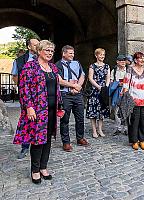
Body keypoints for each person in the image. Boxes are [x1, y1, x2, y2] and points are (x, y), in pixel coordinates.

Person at [13, 40, 60, 184]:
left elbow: (56, 87)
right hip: (38, 110)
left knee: (48, 139)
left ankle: (43, 167)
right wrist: (28, 107)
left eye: (51, 51)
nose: (50, 53)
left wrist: (60, 105)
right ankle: (35, 170)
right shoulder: (30, 66)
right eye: (47, 50)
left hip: (52, 109)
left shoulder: (53, 67)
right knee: (38, 140)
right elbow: (24, 88)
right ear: (39, 51)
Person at [11, 38, 39, 159]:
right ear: (29, 47)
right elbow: (15, 76)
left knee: (40, 119)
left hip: (40, 95)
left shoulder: (42, 59)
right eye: (35, 44)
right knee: (27, 120)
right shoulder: (19, 61)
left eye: (39, 44)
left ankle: (38, 143)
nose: (38, 46)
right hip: (26, 95)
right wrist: (22, 90)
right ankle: (25, 146)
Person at [56, 45, 89, 152]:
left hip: (77, 95)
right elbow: (59, 80)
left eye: (73, 53)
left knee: (80, 118)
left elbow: (82, 76)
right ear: (64, 53)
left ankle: (80, 138)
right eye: (70, 53)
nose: (72, 55)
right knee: (64, 119)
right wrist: (73, 86)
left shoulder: (77, 63)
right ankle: (66, 142)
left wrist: (78, 87)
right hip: (65, 95)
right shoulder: (58, 65)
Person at [122, 52, 144, 150]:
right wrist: (125, 97)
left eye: (143, 58)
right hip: (133, 100)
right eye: (140, 58)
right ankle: (134, 141)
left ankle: (142, 140)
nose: (142, 60)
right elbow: (126, 85)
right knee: (134, 121)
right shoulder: (130, 70)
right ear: (135, 60)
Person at [86, 48, 110, 138]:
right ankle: (94, 130)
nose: (102, 56)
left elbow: (108, 78)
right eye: (100, 55)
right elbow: (90, 78)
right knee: (93, 111)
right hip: (94, 91)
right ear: (96, 55)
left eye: (103, 55)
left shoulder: (107, 66)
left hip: (103, 91)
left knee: (101, 110)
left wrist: (105, 87)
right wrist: (98, 87)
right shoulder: (92, 66)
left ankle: (100, 129)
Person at [110, 54, 127, 135]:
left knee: (126, 110)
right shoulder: (114, 71)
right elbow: (110, 82)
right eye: (121, 60)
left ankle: (126, 128)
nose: (123, 62)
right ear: (117, 62)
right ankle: (118, 128)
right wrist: (116, 84)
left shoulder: (129, 70)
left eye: (124, 60)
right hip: (117, 92)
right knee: (116, 110)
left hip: (127, 92)